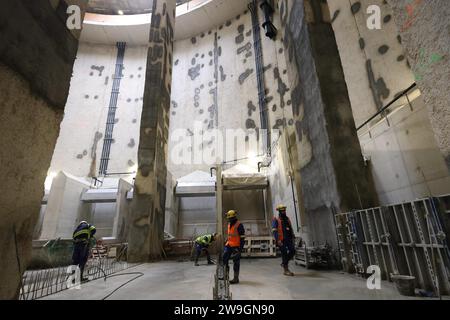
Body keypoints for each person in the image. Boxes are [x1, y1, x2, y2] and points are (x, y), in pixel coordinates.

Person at [272, 205, 296, 276]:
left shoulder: (287, 219)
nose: (284, 212)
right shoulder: (276, 219)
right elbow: (274, 230)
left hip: (288, 239)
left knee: (293, 251)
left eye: (284, 210)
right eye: (282, 211)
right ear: (279, 211)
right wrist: (278, 240)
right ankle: (286, 270)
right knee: (284, 253)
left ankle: (284, 263)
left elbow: (290, 228)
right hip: (281, 240)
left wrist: (293, 235)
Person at [223, 210, 245, 284]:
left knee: (236, 262)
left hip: (236, 246)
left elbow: (242, 238)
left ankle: (236, 278)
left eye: (229, 218)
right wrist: (226, 240)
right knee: (224, 258)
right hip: (229, 244)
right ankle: (225, 275)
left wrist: (240, 250)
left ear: (233, 217)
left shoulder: (239, 225)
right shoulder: (229, 224)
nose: (228, 219)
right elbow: (230, 234)